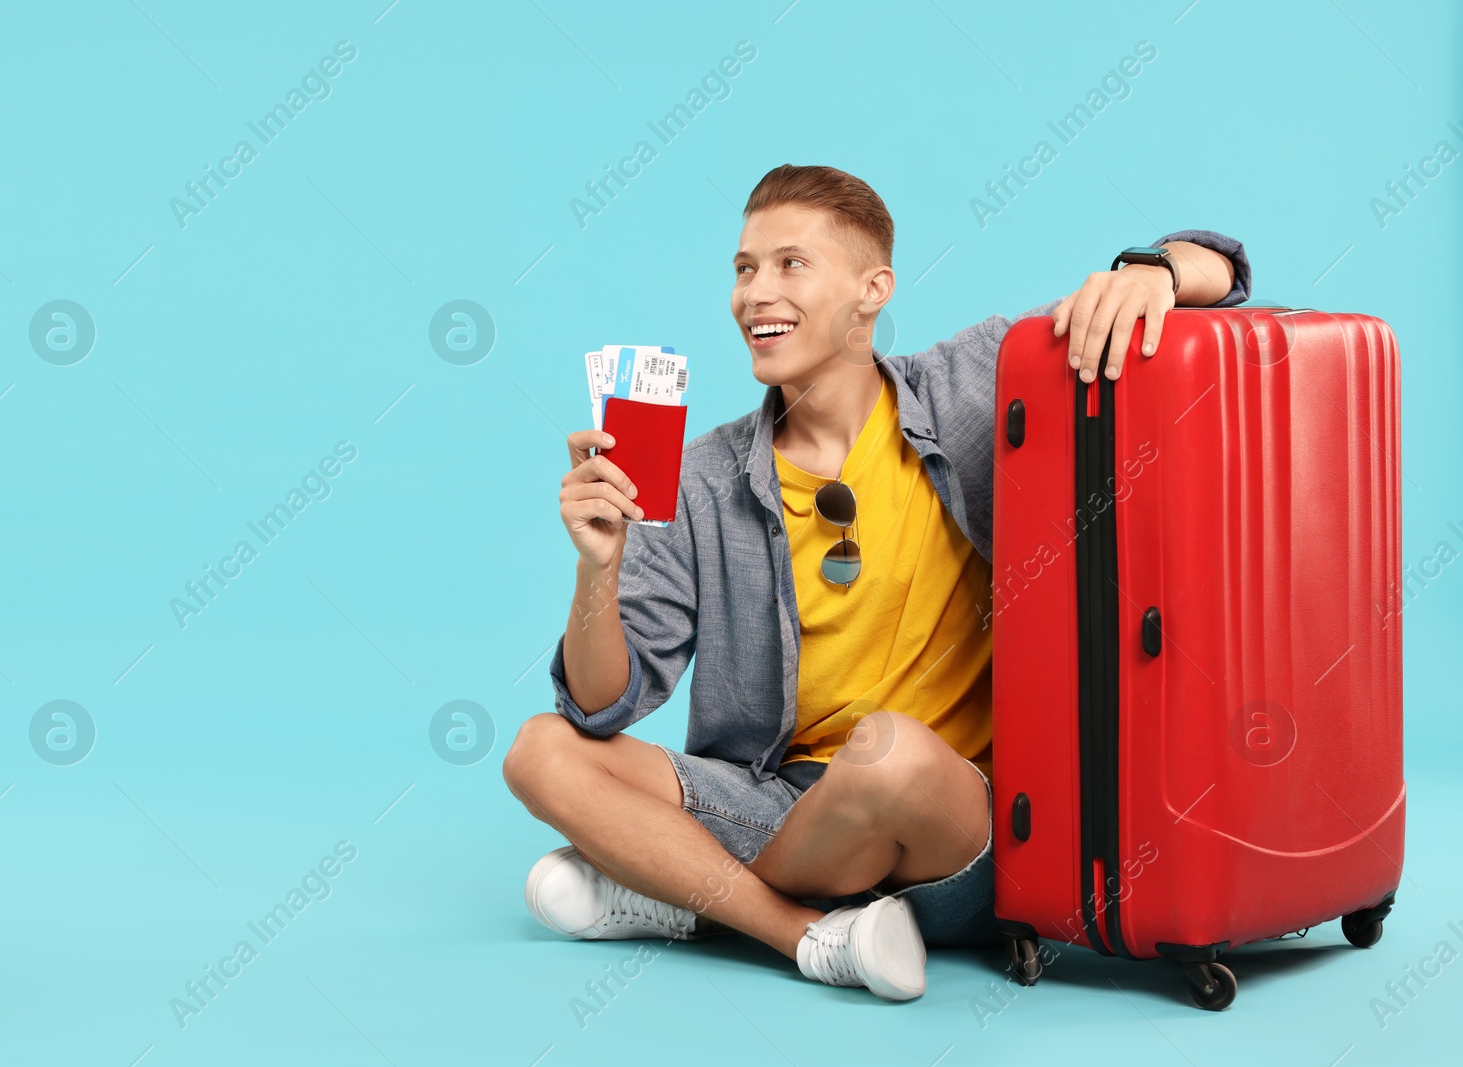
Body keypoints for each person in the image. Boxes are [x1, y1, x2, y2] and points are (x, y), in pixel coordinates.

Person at [503, 164, 1250, 1000]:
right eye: (745, 269)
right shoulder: (701, 478)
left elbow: (1222, 274)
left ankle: (685, 896)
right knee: (540, 748)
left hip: (955, 808)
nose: (756, 293)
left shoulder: (974, 384)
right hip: (777, 799)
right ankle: (803, 934)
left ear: (873, 290)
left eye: (790, 264)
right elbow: (605, 704)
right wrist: (596, 569)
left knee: (886, 753)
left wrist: (1150, 269)